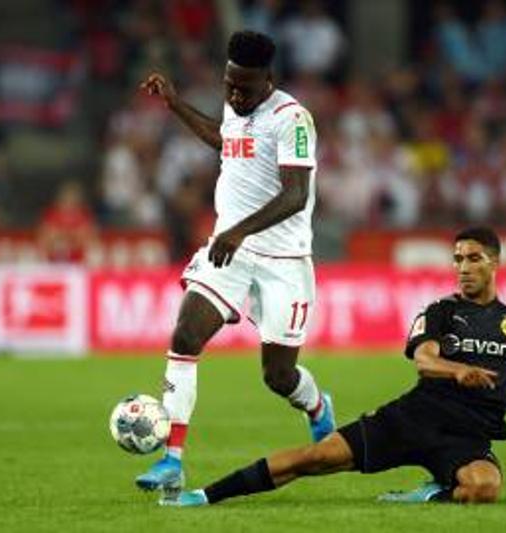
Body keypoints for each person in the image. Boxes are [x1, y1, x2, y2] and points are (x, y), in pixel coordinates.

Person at [159, 227, 506, 507]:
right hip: (412, 418)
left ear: (495, 262)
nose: (463, 268)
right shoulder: (441, 311)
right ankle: (204, 496)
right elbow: (423, 358)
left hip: (466, 437)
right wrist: (455, 371)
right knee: (313, 459)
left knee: (484, 489)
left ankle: (434, 490)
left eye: (473, 258)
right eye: (457, 259)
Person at [135, 30, 335, 494]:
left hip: (284, 260)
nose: (234, 96)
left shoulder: (292, 119)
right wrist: (175, 104)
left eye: (244, 88)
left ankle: (317, 406)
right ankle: (171, 461)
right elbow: (226, 141)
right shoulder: (236, 106)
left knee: (278, 376)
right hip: (231, 251)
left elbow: (296, 194)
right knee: (185, 336)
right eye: (229, 85)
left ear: (268, 80)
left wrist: (240, 228)